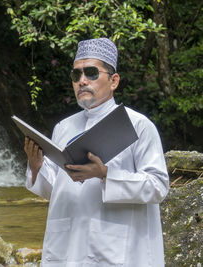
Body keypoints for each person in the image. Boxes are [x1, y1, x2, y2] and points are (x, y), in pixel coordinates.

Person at [24, 38, 169, 267]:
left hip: (118, 249)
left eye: (91, 73)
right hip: (67, 247)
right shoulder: (63, 128)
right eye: (76, 75)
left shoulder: (138, 125)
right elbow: (55, 190)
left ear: (113, 81)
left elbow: (158, 186)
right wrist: (36, 167)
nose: (82, 81)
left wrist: (105, 174)